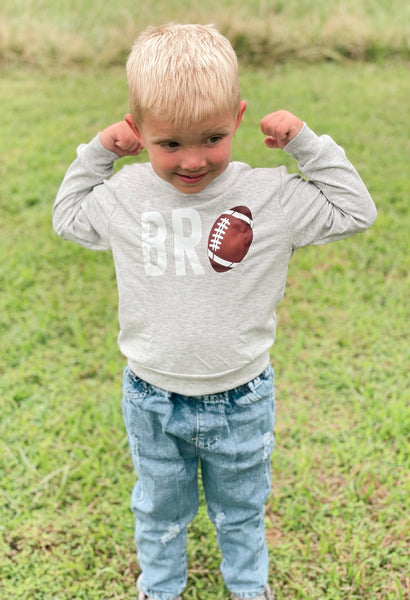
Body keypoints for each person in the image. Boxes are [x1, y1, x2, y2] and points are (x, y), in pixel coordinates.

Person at [53, 23, 376, 600]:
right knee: (158, 513)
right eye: (169, 144)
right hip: (151, 396)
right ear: (137, 132)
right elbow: (68, 217)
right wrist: (99, 152)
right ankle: (160, 590)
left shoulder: (272, 196)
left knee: (241, 514)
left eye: (212, 137)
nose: (194, 160)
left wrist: (307, 144)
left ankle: (250, 590)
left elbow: (355, 211)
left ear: (237, 116)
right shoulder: (127, 195)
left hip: (242, 396)